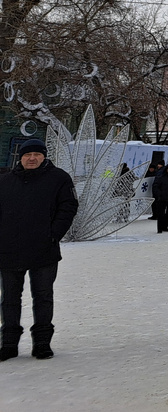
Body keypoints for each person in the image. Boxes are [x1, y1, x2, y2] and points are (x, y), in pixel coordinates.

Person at [0, 138, 79, 361]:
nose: (32, 158)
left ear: (44, 156)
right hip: (8, 250)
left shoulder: (58, 179)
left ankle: (42, 342)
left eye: (37, 154)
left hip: (43, 249)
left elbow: (69, 206)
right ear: (20, 157)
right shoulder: (5, 181)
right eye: (27, 155)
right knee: (10, 299)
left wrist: (53, 234)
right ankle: (8, 343)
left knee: (43, 296)